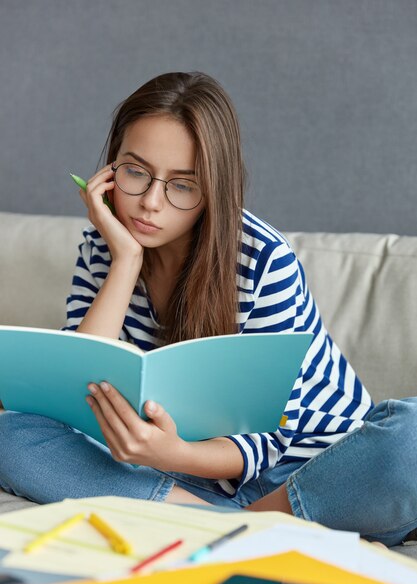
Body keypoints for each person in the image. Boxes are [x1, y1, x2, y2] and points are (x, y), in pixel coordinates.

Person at [0, 71, 416, 547]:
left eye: (182, 185)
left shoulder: (263, 258)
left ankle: (233, 526)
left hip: (316, 472)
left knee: (412, 439)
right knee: (10, 434)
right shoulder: (108, 244)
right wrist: (126, 260)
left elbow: (268, 441)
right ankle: (232, 528)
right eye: (135, 171)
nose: (151, 204)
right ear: (111, 167)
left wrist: (173, 454)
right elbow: (78, 393)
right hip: (183, 482)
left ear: (212, 191)